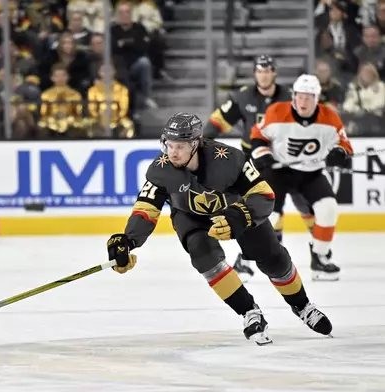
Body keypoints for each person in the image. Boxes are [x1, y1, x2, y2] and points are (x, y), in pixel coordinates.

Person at [107, 112, 332, 345]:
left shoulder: (229, 159)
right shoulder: (161, 169)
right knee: (202, 252)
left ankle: (302, 305)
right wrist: (127, 240)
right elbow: (146, 209)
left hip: (236, 210)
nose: (172, 152)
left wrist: (241, 216)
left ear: (195, 144)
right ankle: (249, 312)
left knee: (272, 257)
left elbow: (264, 194)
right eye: (169, 145)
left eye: (180, 146)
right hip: (190, 215)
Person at [203, 54, 314, 282]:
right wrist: (203, 144)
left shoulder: (290, 97)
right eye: (260, 71)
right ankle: (259, 256)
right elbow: (217, 121)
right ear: (255, 73)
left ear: (274, 72)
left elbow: (309, 123)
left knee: (307, 203)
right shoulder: (243, 97)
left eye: (268, 70)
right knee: (265, 207)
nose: (264, 75)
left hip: (288, 162)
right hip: (255, 163)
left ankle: (318, 249)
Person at [250, 74, 353, 281]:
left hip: (310, 173)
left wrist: (339, 154)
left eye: (309, 97)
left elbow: (345, 147)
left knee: (328, 208)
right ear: (293, 96)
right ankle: (250, 257)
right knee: (270, 215)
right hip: (278, 172)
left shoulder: (330, 117)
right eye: (300, 96)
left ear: (317, 98)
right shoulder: (277, 111)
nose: (303, 102)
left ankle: (320, 259)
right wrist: (264, 157)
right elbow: (257, 137)